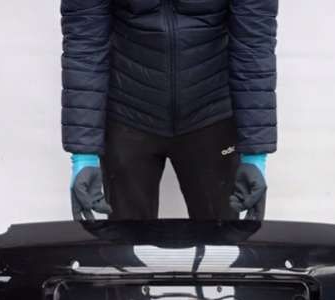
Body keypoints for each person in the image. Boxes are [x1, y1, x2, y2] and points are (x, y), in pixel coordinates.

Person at [61, 0, 278, 222]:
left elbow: (253, 45)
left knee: (221, 238)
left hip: (212, 114)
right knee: (127, 240)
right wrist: (84, 155)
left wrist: (255, 154)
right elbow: (85, 44)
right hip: (127, 116)